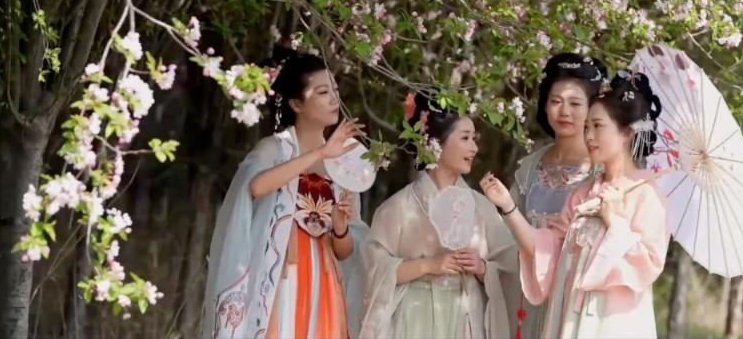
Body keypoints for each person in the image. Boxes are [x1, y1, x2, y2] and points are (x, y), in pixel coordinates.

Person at [481, 72, 669, 339]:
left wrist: (613, 222)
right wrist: (508, 206)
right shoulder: (584, 192)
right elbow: (548, 250)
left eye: (598, 126)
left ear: (626, 133)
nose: (589, 136)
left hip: (614, 323)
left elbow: (649, 264)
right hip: (570, 315)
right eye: (587, 127)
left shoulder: (647, 194)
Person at [202, 51, 366, 339]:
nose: (334, 99)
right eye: (323, 92)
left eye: (335, 91)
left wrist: (340, 228)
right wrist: (319, 153)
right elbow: (255, 187)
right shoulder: (274, 149)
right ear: (296, 103)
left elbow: (344, 251)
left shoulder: (345, 163)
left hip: (325, 281)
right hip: (280, 276)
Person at [360, 91, 519, 339]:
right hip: (414, 318)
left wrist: (482, 268)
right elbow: (374, 270)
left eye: (474, 138)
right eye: (465, 138)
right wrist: (428, 265)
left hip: (466, 315)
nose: (474, 148)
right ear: (435, 142)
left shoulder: (481, 207)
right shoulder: (398, 206)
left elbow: (510, 267)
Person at [509, 52, 607, 337]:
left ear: (592, 108)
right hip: (526, 287)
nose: (564, 112)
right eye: (555, 101)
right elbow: (506, 233)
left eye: (575, 103)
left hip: (573, 289)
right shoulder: (529, 167)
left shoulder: (601, 170)